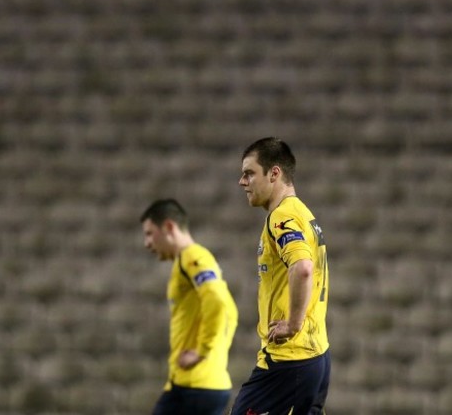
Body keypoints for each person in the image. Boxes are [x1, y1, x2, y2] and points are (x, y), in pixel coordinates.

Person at [231, 137, 330, 415]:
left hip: (289, 361)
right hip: (316, 356)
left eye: (249, 173)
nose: (242, 182)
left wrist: (292, 324)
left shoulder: (282, 217)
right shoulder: (303, 213)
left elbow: (303, 267)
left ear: (274, 173)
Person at [140, 199, 239, 415]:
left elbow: (219, 302)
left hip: (195, 387)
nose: (147, 243)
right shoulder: (186, 261)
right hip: (196, 384)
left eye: (149, 233)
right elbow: (229, 309)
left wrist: (202, 352)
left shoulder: (193, 257)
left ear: (168, 227)